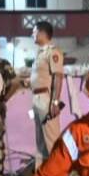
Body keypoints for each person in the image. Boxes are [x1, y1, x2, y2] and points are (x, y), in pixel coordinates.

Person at [26, 21, 65, 162]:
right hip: (36, 98)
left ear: (42, 33)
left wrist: (55, 101)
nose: (32, 34)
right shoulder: (39, 53)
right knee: (40, 142)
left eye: (34, 31)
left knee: (51, 139)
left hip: (46, 99)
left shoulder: (53, 52)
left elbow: (58, 77)